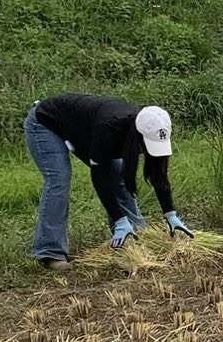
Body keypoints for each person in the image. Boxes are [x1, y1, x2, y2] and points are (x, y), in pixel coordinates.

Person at [24, 94, 193, 269]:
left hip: (82, 130)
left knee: (118, 178)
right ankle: (50, 252)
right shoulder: (109, 128)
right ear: (137, 136)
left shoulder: (154, 129)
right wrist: (119, 219)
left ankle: (133, 237)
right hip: (46, 123)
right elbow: (100, 177)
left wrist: (170, 214)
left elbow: (159, 174)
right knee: (59, 180)